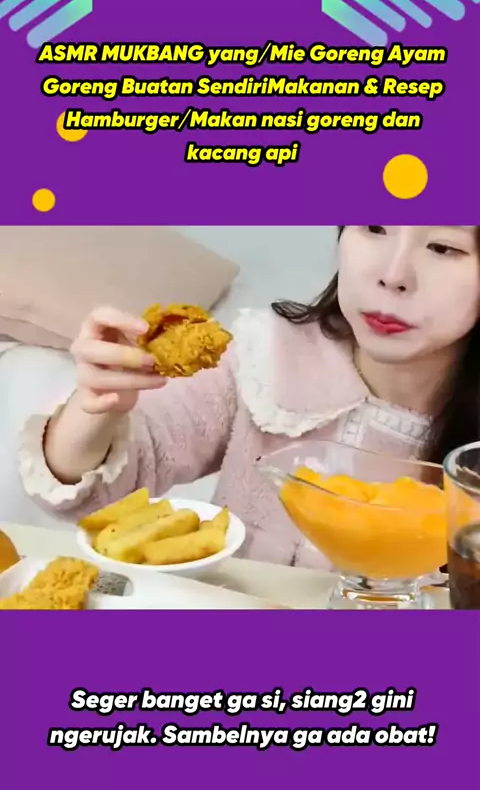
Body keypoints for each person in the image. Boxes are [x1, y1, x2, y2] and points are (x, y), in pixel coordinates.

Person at [19, 226, 480, 569]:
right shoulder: (266, 357)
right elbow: (92, 495)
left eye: (444, 247)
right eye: (374, 227)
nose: (393, 275)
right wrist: (97, 403)